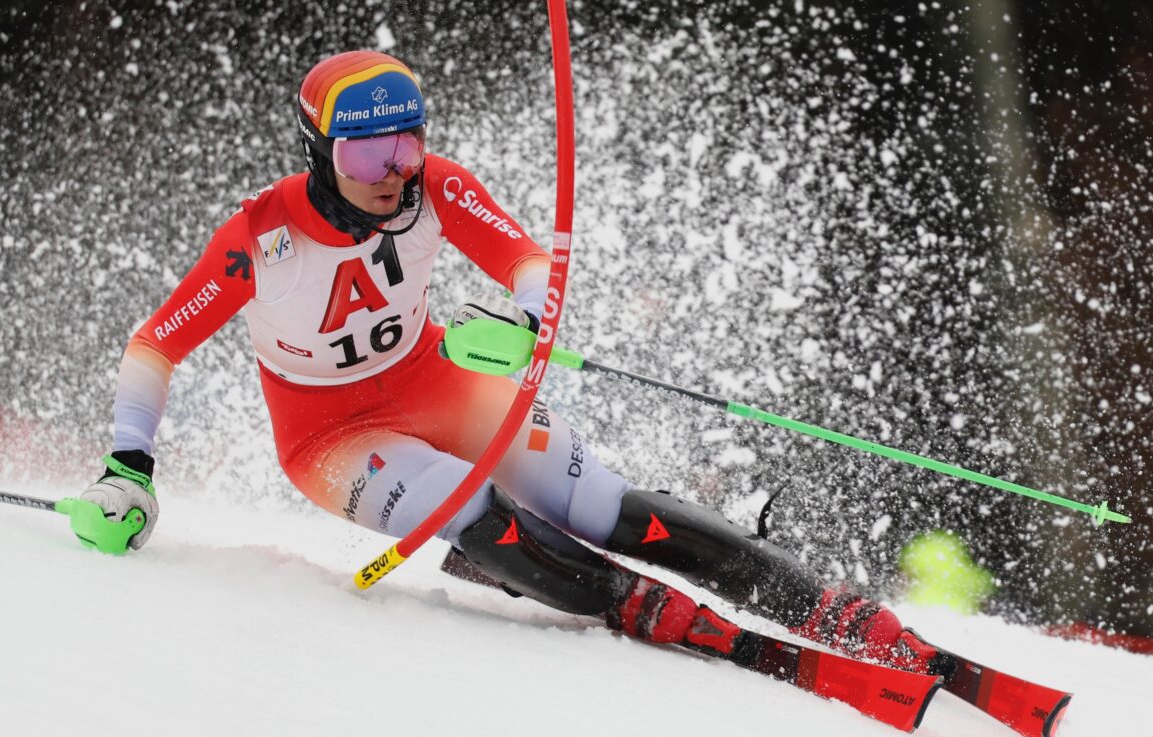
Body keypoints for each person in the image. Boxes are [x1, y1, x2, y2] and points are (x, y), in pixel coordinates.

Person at [79, 50, 941, 673]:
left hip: (435, 384)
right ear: (319, 152)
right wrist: (130, 465)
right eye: (365, 154)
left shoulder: (433, 188)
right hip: (330, 435)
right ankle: (629, 605)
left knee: (599, 503)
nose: (392, 172)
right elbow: (156, 345)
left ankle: (805, 596)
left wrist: (534, 318)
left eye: (406, 145)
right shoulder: (258, 239)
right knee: (471, 507)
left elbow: (526, 261)